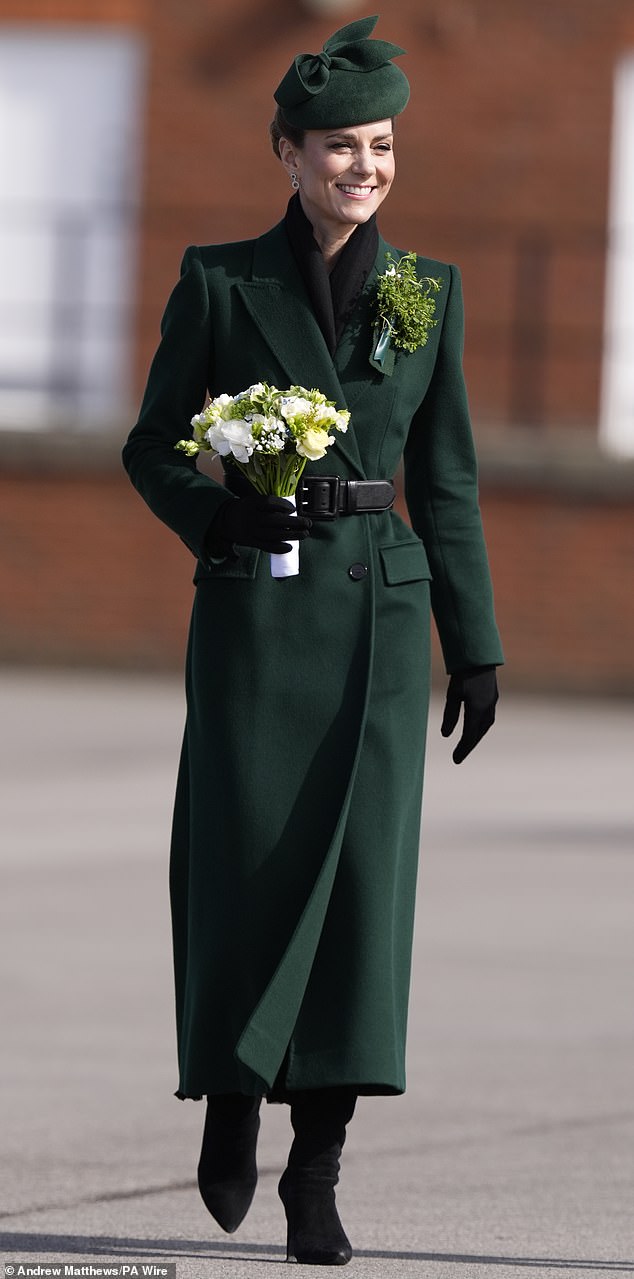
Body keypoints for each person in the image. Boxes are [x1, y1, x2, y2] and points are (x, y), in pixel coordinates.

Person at [122, 14, 503, 1267]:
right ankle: (232, 1089)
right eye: (340, 145)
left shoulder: (426, 291)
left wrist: (474, 641)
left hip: (380, 622)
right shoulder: (219, 281)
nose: (364, 166)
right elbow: (151, 446)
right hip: (255, 614)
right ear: (287, 152)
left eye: (381, 146)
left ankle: (317, 1170)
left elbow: (445, 480)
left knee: (359, 896)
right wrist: (219, 509)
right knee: (242, 865)